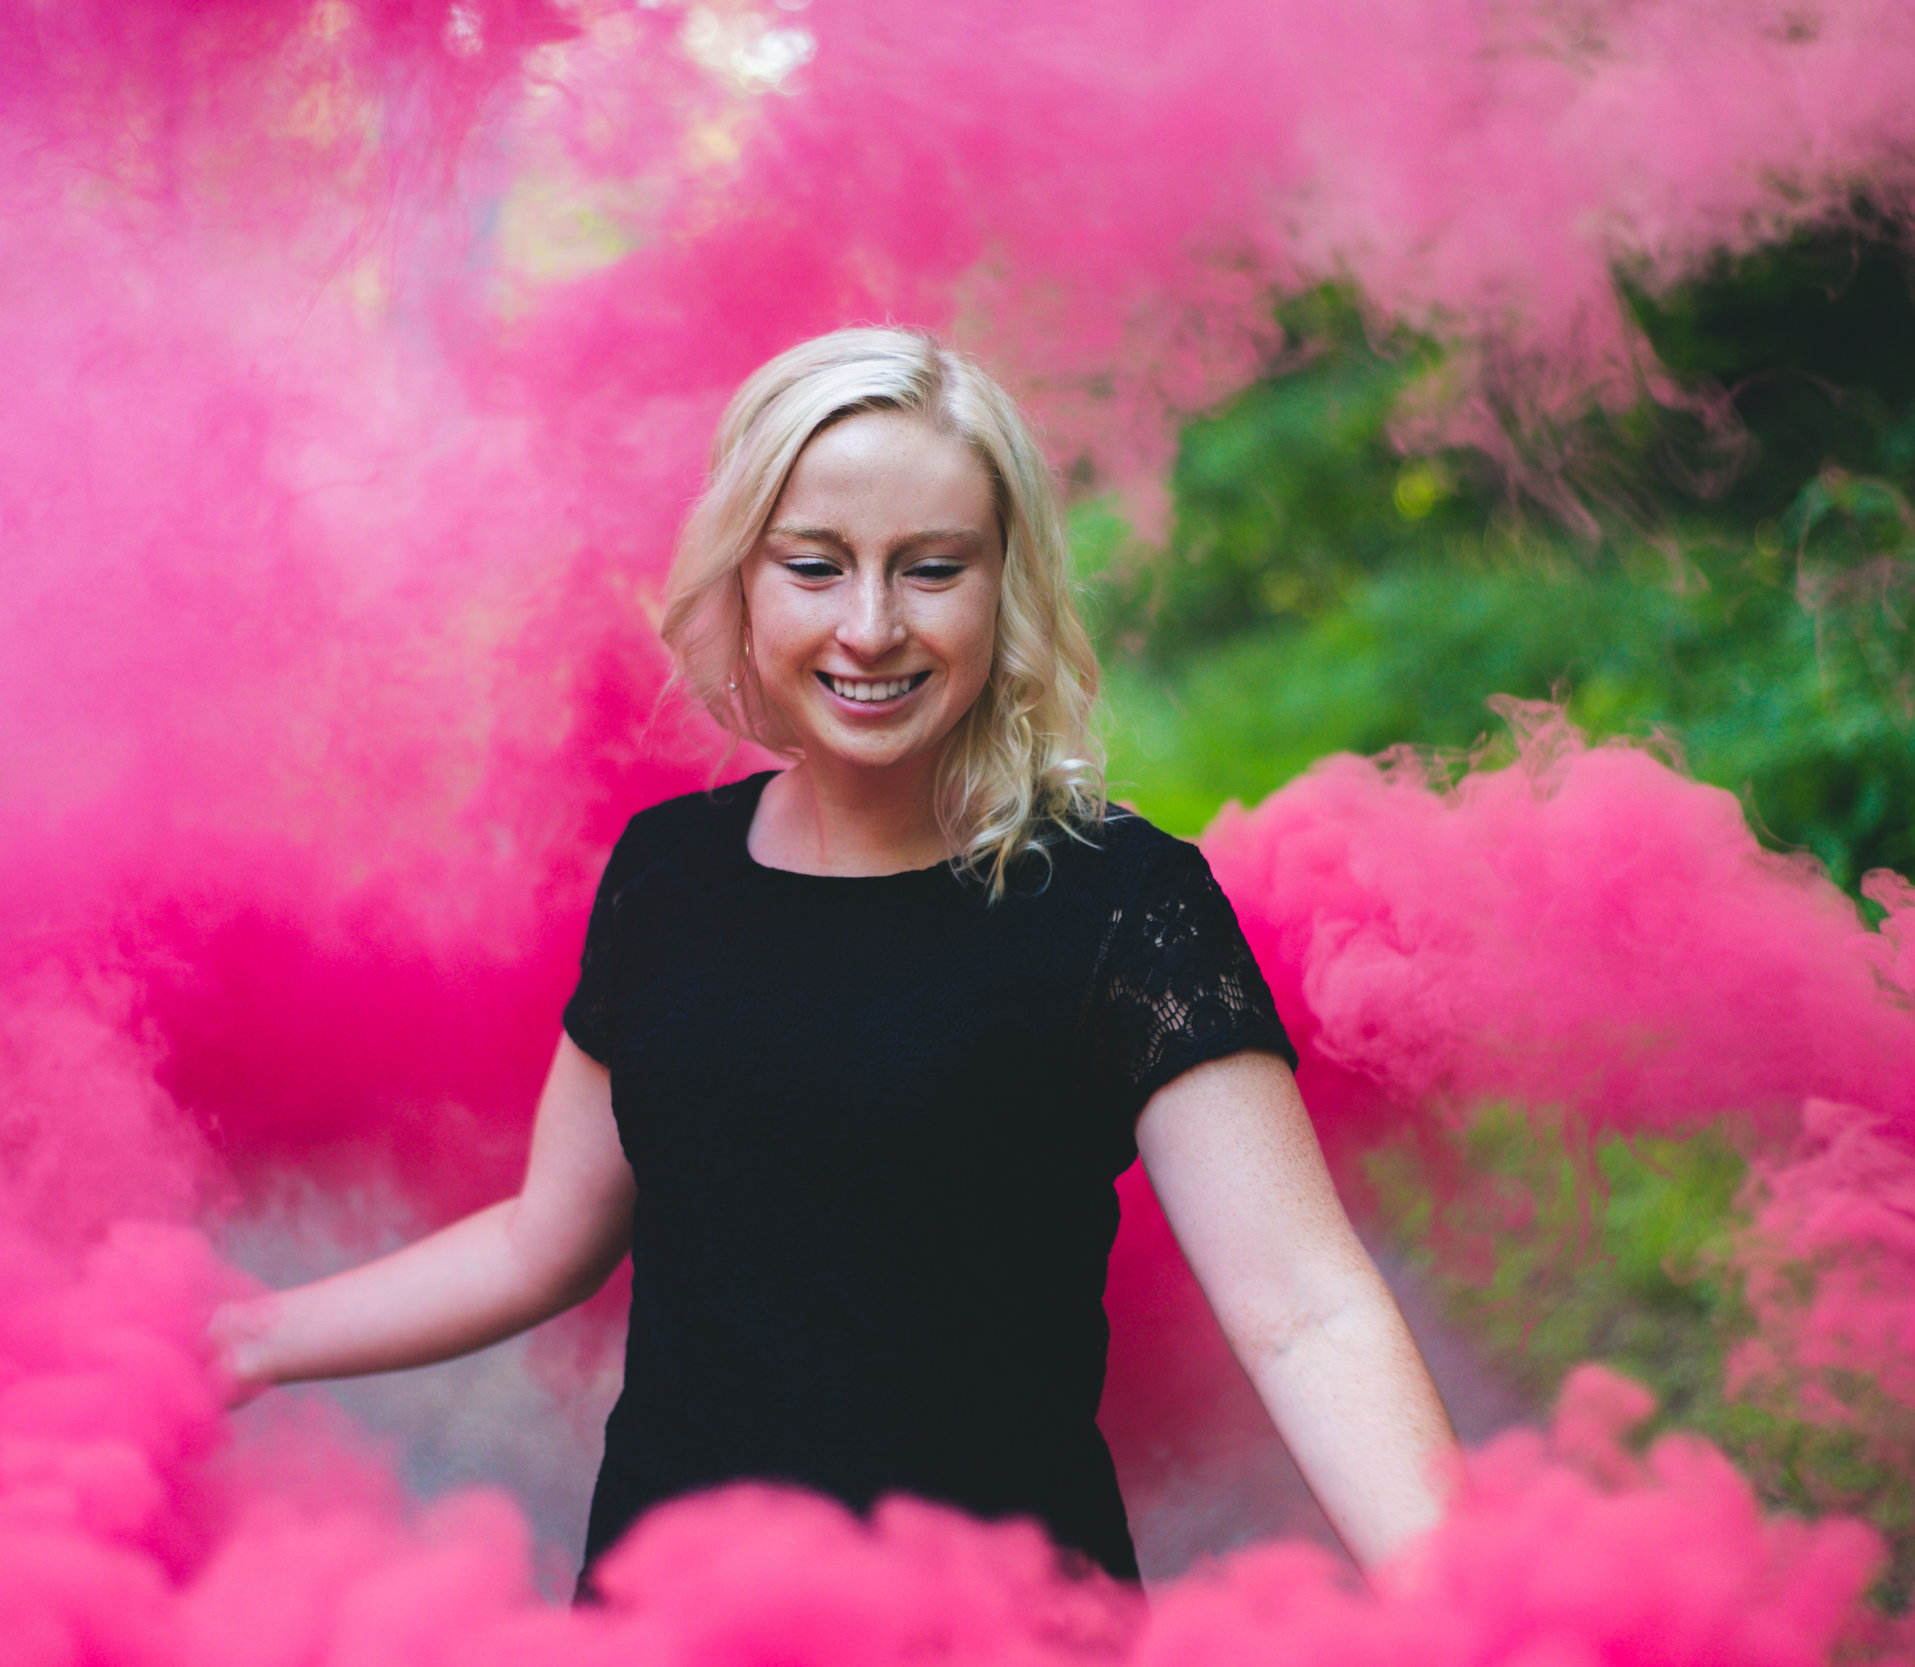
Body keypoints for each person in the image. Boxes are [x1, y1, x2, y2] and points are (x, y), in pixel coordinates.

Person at [211, 327, 1457, 1591]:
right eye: (815, 565)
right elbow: (547, 1236)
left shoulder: (1123, 905)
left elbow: (1303, 1305)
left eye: (930, 569)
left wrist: (1487, 1606)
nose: (869, 627)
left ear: (1002, 584)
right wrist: (249, 1338)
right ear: (744, 580)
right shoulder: (665, 876)